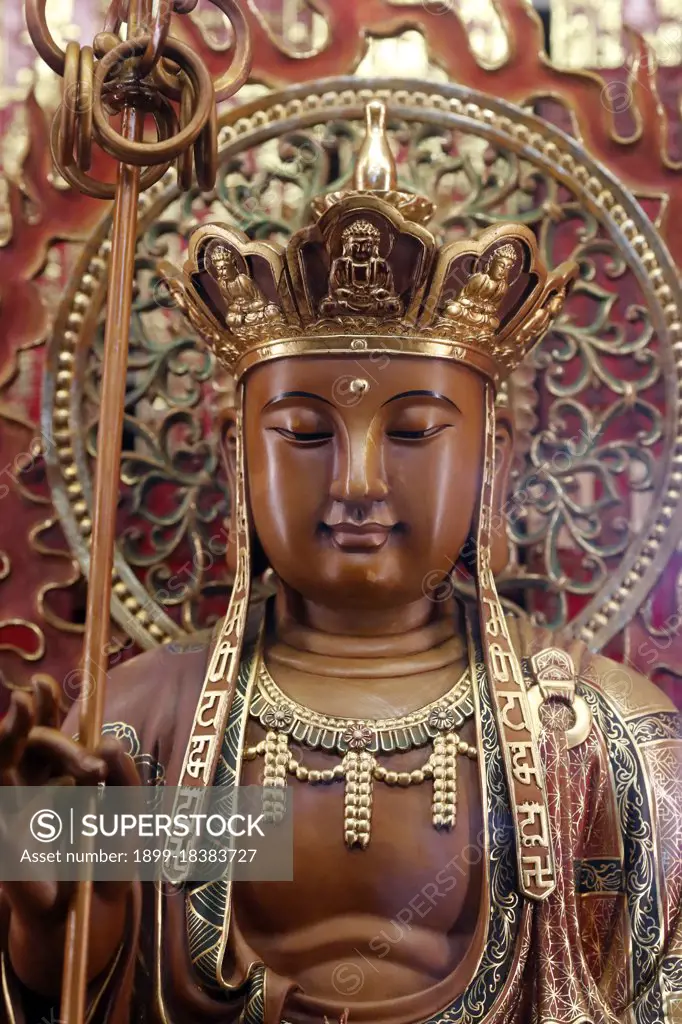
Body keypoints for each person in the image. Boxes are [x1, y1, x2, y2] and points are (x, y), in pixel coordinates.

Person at [1, 100, 681, 1024]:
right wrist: (62, 916)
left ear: (496, 458)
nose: (358, 480)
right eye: (304, 433)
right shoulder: (138, 726)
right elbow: (66, 986)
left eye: (412, 432)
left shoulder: (604, 741)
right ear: (239, 458)